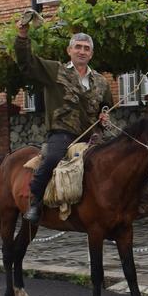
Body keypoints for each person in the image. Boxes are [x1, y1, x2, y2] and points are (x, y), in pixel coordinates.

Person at [15, 16, 112, 224]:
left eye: (86, 48)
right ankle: (35, 201)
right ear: (69, 50)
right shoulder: (55, 70)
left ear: (91, 54)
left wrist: (104, 117)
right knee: (51, 159)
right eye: (78, 47)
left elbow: (106, 105)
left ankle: (110, 211)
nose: (82, 51)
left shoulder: (102, 81)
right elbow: (26, 64)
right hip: (63, 133)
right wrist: (23, 36)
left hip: (92, 136)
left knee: (115, 161)